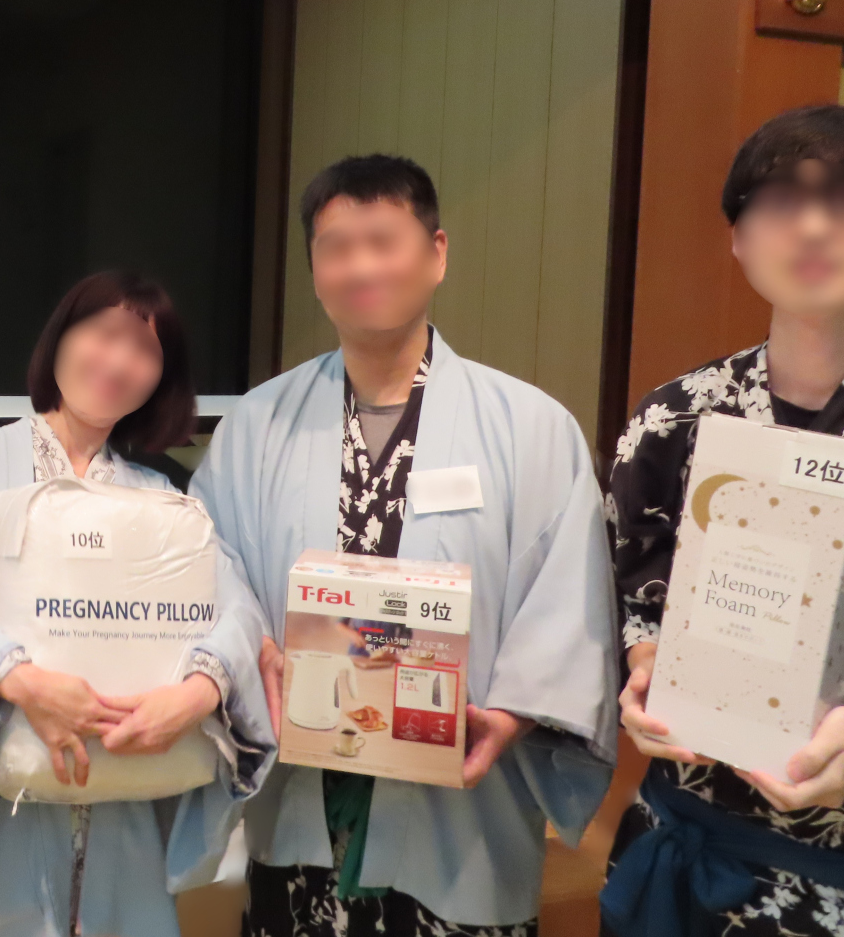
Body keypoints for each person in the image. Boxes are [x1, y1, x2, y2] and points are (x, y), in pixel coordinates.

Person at [191, 154, 619, 937]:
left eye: (383, 241)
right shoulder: (256, 424)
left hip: (459, 802)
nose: (361, 267)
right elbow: (211, 565)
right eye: (336, 247)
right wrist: (256, 651)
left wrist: (513, 715)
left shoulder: (530, 426)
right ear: (315, 270)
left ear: (436, 253)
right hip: (300, 797)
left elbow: (569, 596)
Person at [604, 105, 844, 937]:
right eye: (778, 201)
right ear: (738, 239)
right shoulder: (674, 417)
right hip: (685, 846)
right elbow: (625, 592)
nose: (810, 226)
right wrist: (643, 661)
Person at [0, 271, 275, 937]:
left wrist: (197, 692)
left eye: (145, 349)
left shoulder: (160, 497)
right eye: (104, 333)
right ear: (60, 339)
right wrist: (20, 678)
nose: (119, 361)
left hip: (125, 807)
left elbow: (239, 609)